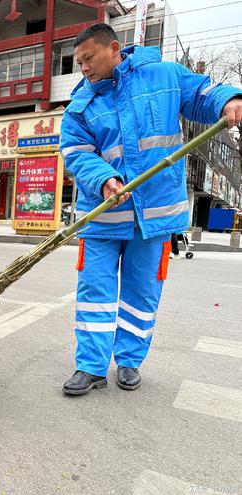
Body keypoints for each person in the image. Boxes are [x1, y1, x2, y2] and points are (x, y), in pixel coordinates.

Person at [60, 24, 242, 395]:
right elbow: (76, 154)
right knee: (95, 293)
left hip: (154, 216)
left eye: (88, 59)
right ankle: (91, 366)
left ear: (113, 48)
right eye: (79, 63)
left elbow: (203, 94)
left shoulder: (164, 75)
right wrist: (105, 178)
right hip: (103, 215)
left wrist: (229, 99)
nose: (83, 69)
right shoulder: (80, 106)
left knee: (142, 294)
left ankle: (129, 361)